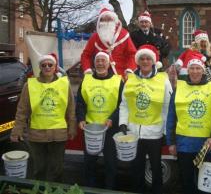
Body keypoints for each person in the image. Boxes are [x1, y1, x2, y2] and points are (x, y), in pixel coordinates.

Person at [10, 53, 77, 182]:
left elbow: (71, 109)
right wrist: (16, 131)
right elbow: (22, 111)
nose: (47, 67)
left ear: (55, 67)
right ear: (40, 67)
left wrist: (72, 128)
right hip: (37, 135)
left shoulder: (64, 84)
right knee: (39, 169)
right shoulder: (29, 85)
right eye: (44, 65)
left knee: (57, 169)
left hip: (58, 134)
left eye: (50, 64)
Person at [119, 44, 172, 194]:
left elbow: (168, 107)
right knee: (136, 168)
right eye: (142, 58)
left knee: (155, 168)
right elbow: (124, 104)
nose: (145, 61)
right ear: (137, 61)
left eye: (148, 58)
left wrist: (166, 132)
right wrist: (123, 123)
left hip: (154, 133)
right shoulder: (130, 80)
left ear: (153, 61)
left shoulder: (163, 80)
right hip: (134, 132)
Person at [166, 56, 211, 194]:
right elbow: (171, 117)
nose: (195, 71)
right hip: (184, 145)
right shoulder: (179, 89)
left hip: (206, 146)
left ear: (203, 71)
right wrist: (171, 142)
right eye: (192, 68)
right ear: (188, 71)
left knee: (205, 184)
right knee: (186, 181)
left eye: (198, 68)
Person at [76, 51, 124, 189]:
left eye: (103, 60)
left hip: (110, 129)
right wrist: (81, 118)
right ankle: (90, 189)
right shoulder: (86, 80)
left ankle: (110, 189)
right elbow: (80, 102)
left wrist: (112, 119)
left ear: (109, 64)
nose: (100, 63)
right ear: (94, 63)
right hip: (91, 129)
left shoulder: (117, 81)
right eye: (98, 61)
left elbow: (123, 104)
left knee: (110, 163)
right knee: (89, 163)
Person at [81, 7, 137, 77]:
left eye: (109, 19)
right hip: (100, 74)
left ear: (114, 20)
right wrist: (87, 69)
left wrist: (130, 69)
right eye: (103, 20)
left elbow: (132, 54)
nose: (106, 22)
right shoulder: (95, 37)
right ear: (99, 22)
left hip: (121, 74)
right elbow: (86, 55)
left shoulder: (123, 34)